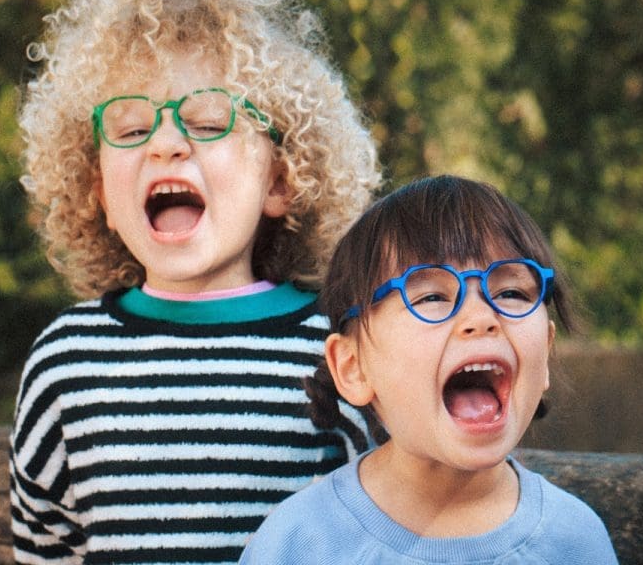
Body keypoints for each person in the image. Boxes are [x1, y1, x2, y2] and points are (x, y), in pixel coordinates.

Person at [9, 0, 381, 563]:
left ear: (281, 182)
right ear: (99, 192)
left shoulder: (340, 354)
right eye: (131, 131)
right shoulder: (66, 362)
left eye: (208, 121)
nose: (164, 144)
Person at [239, 175, 619, 564]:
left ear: (545, 358)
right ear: (353, 368)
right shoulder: (301, 544)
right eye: (433, 296)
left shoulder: (574, 542)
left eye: (511, 292)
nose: (481, 317)